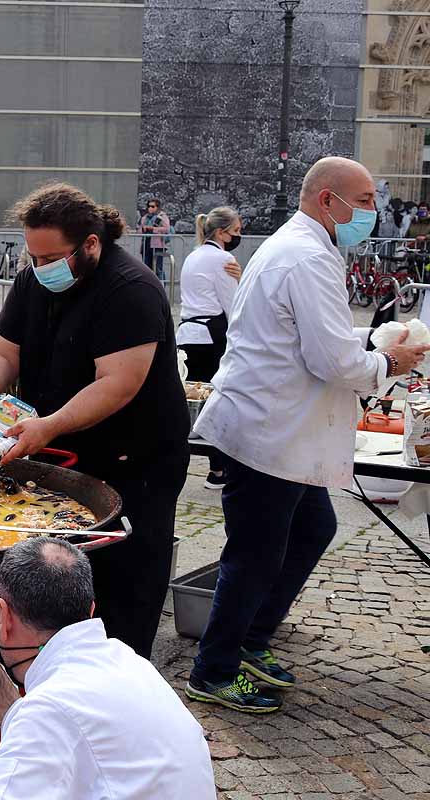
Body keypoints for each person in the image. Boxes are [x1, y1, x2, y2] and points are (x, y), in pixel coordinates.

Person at [188, 157, 430, 713]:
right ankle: (214, 668)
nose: (373, 211)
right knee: (253, 554)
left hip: (283, 430)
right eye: (365, 200)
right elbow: (333, 362)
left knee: (313, 528)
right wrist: (388, 360)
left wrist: (374, 337)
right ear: (328, 201)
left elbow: (318, 338)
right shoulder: (303, 256)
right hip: (271, 432)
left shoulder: (308, 250)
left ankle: (251, 637)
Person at [0, 183, 189, 660]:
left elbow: (118, 383)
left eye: (50, 258)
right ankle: (38, 680)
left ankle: (120, 684)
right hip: (55, 453)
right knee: (47, 584)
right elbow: (3, 351)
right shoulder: (32, 279)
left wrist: (50, 425)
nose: (40, 269)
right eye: (32, 257)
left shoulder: (132, 288)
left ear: (91, 245)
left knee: (123, 588)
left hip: (134, 461)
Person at [0, 539, 216, 799]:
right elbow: (44, 722)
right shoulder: (126, 660)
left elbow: (47, 720)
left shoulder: (49, 710)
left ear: (4, 617)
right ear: (91, 609)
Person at [177, 206, 243, 490]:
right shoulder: (223, 258)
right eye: (236, 231)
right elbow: (232, 305)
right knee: (218, 400)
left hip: (188, 333)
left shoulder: (193, 255)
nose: (238, 235)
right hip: (212, 333)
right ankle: (218, 469)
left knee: (189, 402)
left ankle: (185, 462)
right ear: (221, 232)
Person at [138, 198, 171, 281]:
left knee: (158, 268)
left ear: (157, 207)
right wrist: (143, 229)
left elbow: (166, 229)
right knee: (146, 268)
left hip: (157, 245)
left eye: (152, 206)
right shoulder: (145, 218)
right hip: (146, 244)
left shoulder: (162, 216)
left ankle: (161, 286)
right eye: (149, 206)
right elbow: (139, 230)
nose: (150, 208)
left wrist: (152, 229)